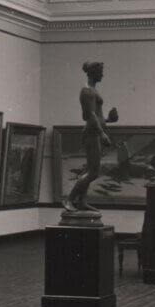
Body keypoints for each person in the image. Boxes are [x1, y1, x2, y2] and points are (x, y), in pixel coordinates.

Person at [64, 61, 118, 213]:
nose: (102, 74)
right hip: (92, 133)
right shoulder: (87, 91)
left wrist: (109, 120)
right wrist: (102, 133)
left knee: (89, 169)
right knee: (93, 172)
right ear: (93, 72)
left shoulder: (93, 90)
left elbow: (97, 116)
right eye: (100, 71)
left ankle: (82, 201)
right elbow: (90, 115)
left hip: (94, 131)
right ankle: (69, 199)